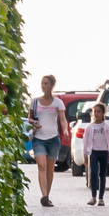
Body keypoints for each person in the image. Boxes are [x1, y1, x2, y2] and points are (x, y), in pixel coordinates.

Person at [26, 76, 64, 207]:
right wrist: (33, 122)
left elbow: (62, 119)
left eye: (46, 83)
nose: (43, 85)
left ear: (52, 86)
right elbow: (29, 118)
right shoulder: (35, 101)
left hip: (53, 138)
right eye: (42, 83)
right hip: (38, 138)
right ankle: (44, 195)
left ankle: (47, 195)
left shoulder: (58, 103)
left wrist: (65, 130)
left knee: (50, 169)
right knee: (41, 166)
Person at [80, 98, 109, 206]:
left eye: (98, 111)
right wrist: (85, 155)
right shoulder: (90, 127)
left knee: (102, 175)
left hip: (104, 152)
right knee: (94, 174)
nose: (96, 114)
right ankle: (93, 197)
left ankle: (101, 198)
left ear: (103, 113)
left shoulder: (106, 127)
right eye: (94, 111)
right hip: (94, 152)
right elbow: (85, 141)